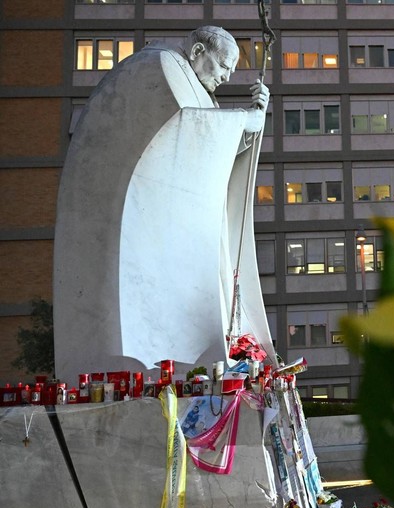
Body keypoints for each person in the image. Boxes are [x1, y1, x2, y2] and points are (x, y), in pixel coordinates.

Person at [53, 26, 277, 384]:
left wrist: (251, 124)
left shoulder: (201, 92)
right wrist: (241, 121)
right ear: (198, 51)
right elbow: (174, 131)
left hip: (178, 225)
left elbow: (202, 157)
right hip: (138, 223)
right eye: (223, 67)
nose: (226, 78)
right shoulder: (157, 66)